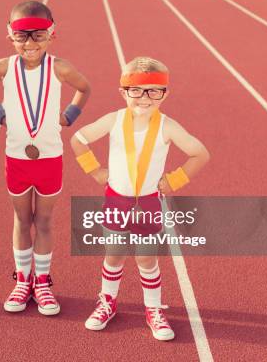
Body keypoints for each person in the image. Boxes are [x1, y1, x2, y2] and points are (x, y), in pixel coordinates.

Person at [70, 56, 209, 339]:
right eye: (136, 90)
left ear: (164, 94)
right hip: (116, 200)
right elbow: (78, 140)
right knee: (114, 254)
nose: (144, 98)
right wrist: (95, 170)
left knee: (146, 259)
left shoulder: (167, 126)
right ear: (123, 92)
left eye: (153, 91)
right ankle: (107, 301)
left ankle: (153, 309)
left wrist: (174, 180)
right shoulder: (114, 120)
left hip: (147, 203)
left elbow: (200, 154)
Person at [0, 0, 91, 315]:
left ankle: (42, 282)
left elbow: (84, 87)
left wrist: (70, 114)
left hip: (49, 157)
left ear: (52, 33)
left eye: (38, 35)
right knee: (21, 219)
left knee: (42, 221)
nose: (29, 43)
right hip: (16, 157)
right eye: (21, 36)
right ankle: (22, 280)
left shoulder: (60, 67)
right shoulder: (4, 67)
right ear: (9, 35)